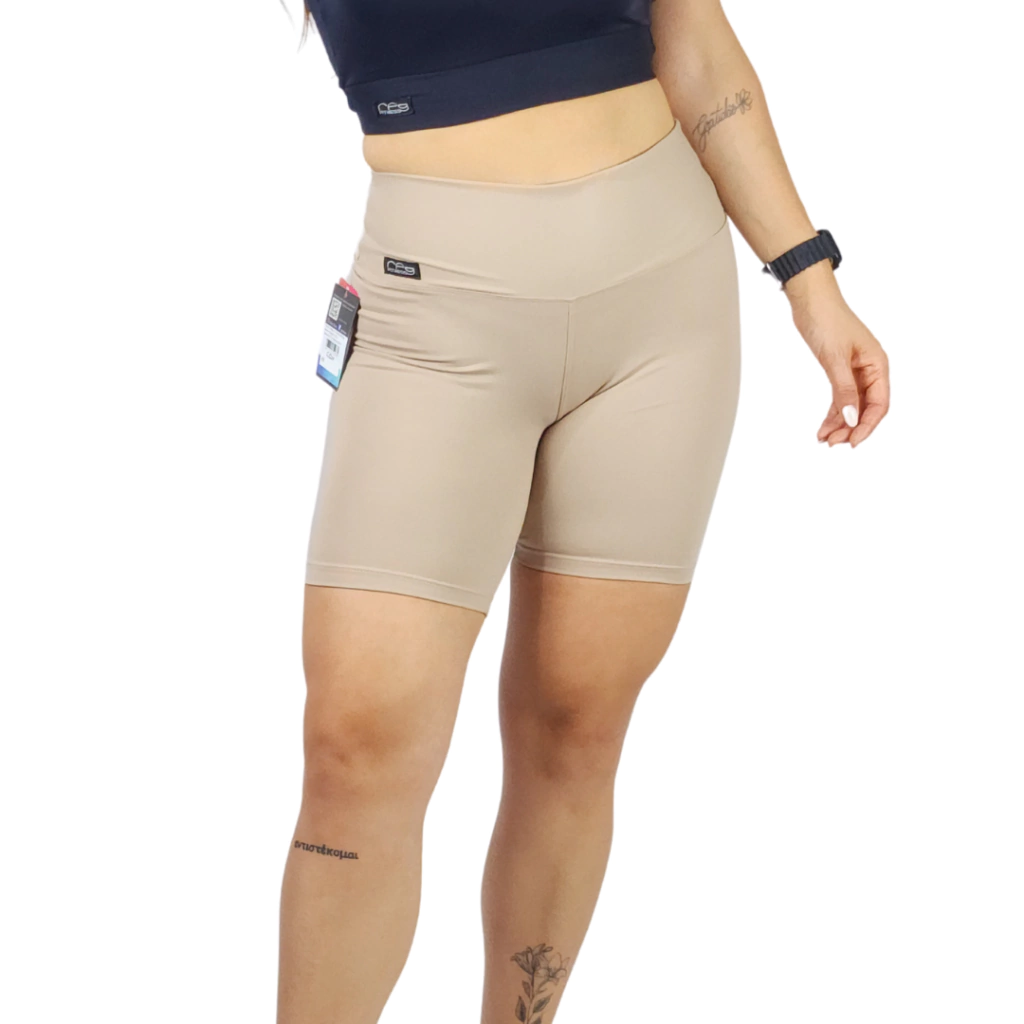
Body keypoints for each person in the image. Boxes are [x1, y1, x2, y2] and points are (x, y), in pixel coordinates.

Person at [277, 1, 891, 1021]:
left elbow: (692, 42)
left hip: (660, 306)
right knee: (356, 745)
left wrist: (809, 279)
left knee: (575, 727)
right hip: (434, 317)